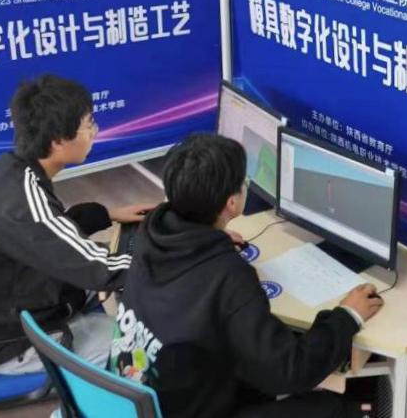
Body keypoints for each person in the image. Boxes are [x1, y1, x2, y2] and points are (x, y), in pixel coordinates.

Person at [110, 133, 382, 418]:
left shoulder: (152, 233)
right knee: (331, 408)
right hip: (191, 409)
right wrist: (346, 317)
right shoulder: (227, 275)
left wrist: (211, 238)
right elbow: (289, 370)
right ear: (232, 203)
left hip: (144, 397)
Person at [0, 74, 155, 374]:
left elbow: (46, 233)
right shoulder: (22, 203)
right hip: (13, 343)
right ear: (58, 140)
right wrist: (171, 257)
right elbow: (100, 269)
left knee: (128, 281)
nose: (94, 132)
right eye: (88, 125)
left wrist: (107, 215)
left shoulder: (8, 172)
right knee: (143, 344)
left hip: (6, 307)